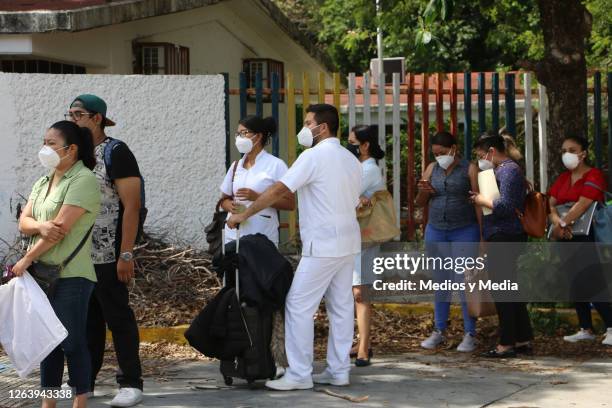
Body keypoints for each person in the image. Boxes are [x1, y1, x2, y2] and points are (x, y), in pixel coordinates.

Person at [227, 104, 362, 390]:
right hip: (348, 241)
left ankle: (299, 374)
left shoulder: (312, 156)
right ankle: (339, 371)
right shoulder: (350, 158)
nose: (304, 128)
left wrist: (243, 214)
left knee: (298, 305)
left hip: (322, 243)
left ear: (322, 127)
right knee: (341, 307)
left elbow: (279, 190)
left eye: (307, 122)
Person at [13, 121, 101, 408]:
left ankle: (80, 401)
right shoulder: (44, 180)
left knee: (72, 341)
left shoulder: (83, 179)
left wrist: (26, 259)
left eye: (51, 143)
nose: (45, 148)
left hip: (71, 274)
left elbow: (59, 230)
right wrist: (40, 224)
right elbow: (24, 223)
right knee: (46, 342)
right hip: (41, 274)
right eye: (45, 142)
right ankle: (48, 402)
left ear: (71, 149)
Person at [67, 94, 144, 407]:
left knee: (118, 317)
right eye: (70, 114)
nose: (73, 120)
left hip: (109, 254)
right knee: (88, 320)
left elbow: (132, 205)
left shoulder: (116, 151)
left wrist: (126, 253)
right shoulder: (78, 155)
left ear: (96, 118)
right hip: (80, 254)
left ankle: (131, 382)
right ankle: (85, 381)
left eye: (78, 114)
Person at [415, 131, 482, 353]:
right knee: (441, 282)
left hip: (464, 230)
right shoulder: (431, 169)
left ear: (454, 149)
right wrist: (424, 191)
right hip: (437, 230)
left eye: (442, 153)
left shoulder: (470, 168)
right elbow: (419, 202)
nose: (439, 157)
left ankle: (470, 333)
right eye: (435, 154)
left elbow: (478, 202)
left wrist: (483, 234)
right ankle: (439, 330)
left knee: (465, 282)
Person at [470, 132, 533, 358]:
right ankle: (523, 337)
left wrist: (480, 200)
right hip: (502, 235)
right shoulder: (503, 170)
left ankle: (506, 343)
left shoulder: (508, 170)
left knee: (503, 290)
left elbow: (506, 206)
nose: (480, 159)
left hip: (504, 235)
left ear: (492, 152)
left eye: (481, 154)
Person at [547, 135, 612, 346]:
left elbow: (584, 204)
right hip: (565, 233)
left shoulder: (594, 175)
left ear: (583, 153)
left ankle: (611, 326)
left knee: (591, 279)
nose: (567, 154)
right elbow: (551, 203)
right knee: (574, 278)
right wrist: (558, 224)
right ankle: (586, 327)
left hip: (587, 234)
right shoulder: (564, 178)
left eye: (572, 150)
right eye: (564, 150)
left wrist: (563, 224)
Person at [219, 115, 295, 246]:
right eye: (238, 134)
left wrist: (257, 197)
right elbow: (223, 200)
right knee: (233, 266)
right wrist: (229, 205)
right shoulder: (236, 166)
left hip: (262, 236)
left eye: (244, 133)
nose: (239, 138)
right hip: (233, 235)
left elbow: (290, 204)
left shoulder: (276, 165)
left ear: (258, 136)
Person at [346, 125, 386, 367]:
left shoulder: (368, 169)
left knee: (361, 292)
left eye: (352, 142)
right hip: (352, 236)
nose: (349, 146)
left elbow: (343, 195)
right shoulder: (358, 168)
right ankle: (360, 342)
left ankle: (364, 348)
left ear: (365, 145)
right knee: (353, 292)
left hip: (365, 236)